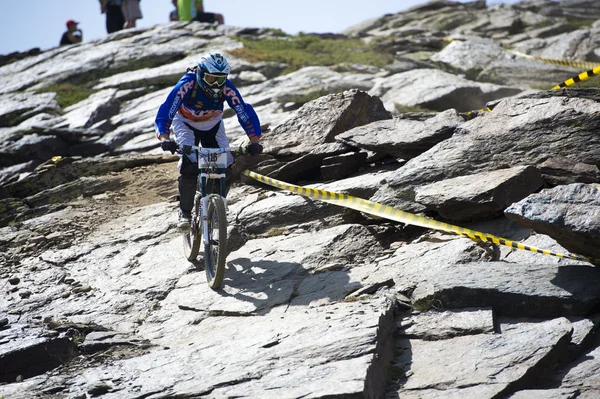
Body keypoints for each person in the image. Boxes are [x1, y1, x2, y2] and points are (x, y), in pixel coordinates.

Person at [155, 53, 263, 229]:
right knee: (189, 164)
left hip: (213, 124)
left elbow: (243, 112)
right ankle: (185, 213)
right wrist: (166, 138)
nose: (215, 84)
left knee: (225, 165)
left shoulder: (227, 88)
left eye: (220, 80)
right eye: (211, 78)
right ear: (200, 73)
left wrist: (254, 141)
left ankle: (214, 207)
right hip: (185, 122)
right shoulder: (187, 83)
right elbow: (167, 110)